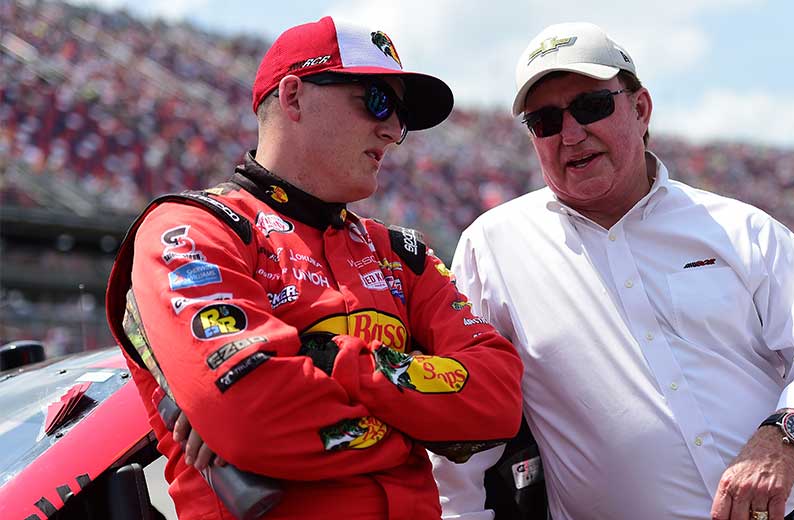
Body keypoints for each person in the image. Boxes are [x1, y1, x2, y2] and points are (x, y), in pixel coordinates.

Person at [430, 22, 794, 520]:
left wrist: (781, 438)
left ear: (640, 108)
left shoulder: (742, 229)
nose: (572, 133)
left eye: (591, 106)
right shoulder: (493, 246)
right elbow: (463, 410)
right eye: (545, 121)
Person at [105, 16, 523, 519]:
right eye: (377, 101)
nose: (392, 131)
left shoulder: (399, 253)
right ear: (294, 96)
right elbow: (249, 420)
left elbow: (498, 400)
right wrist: (418, 429)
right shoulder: (194, 230)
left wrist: (327, 361)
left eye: (401, 116)